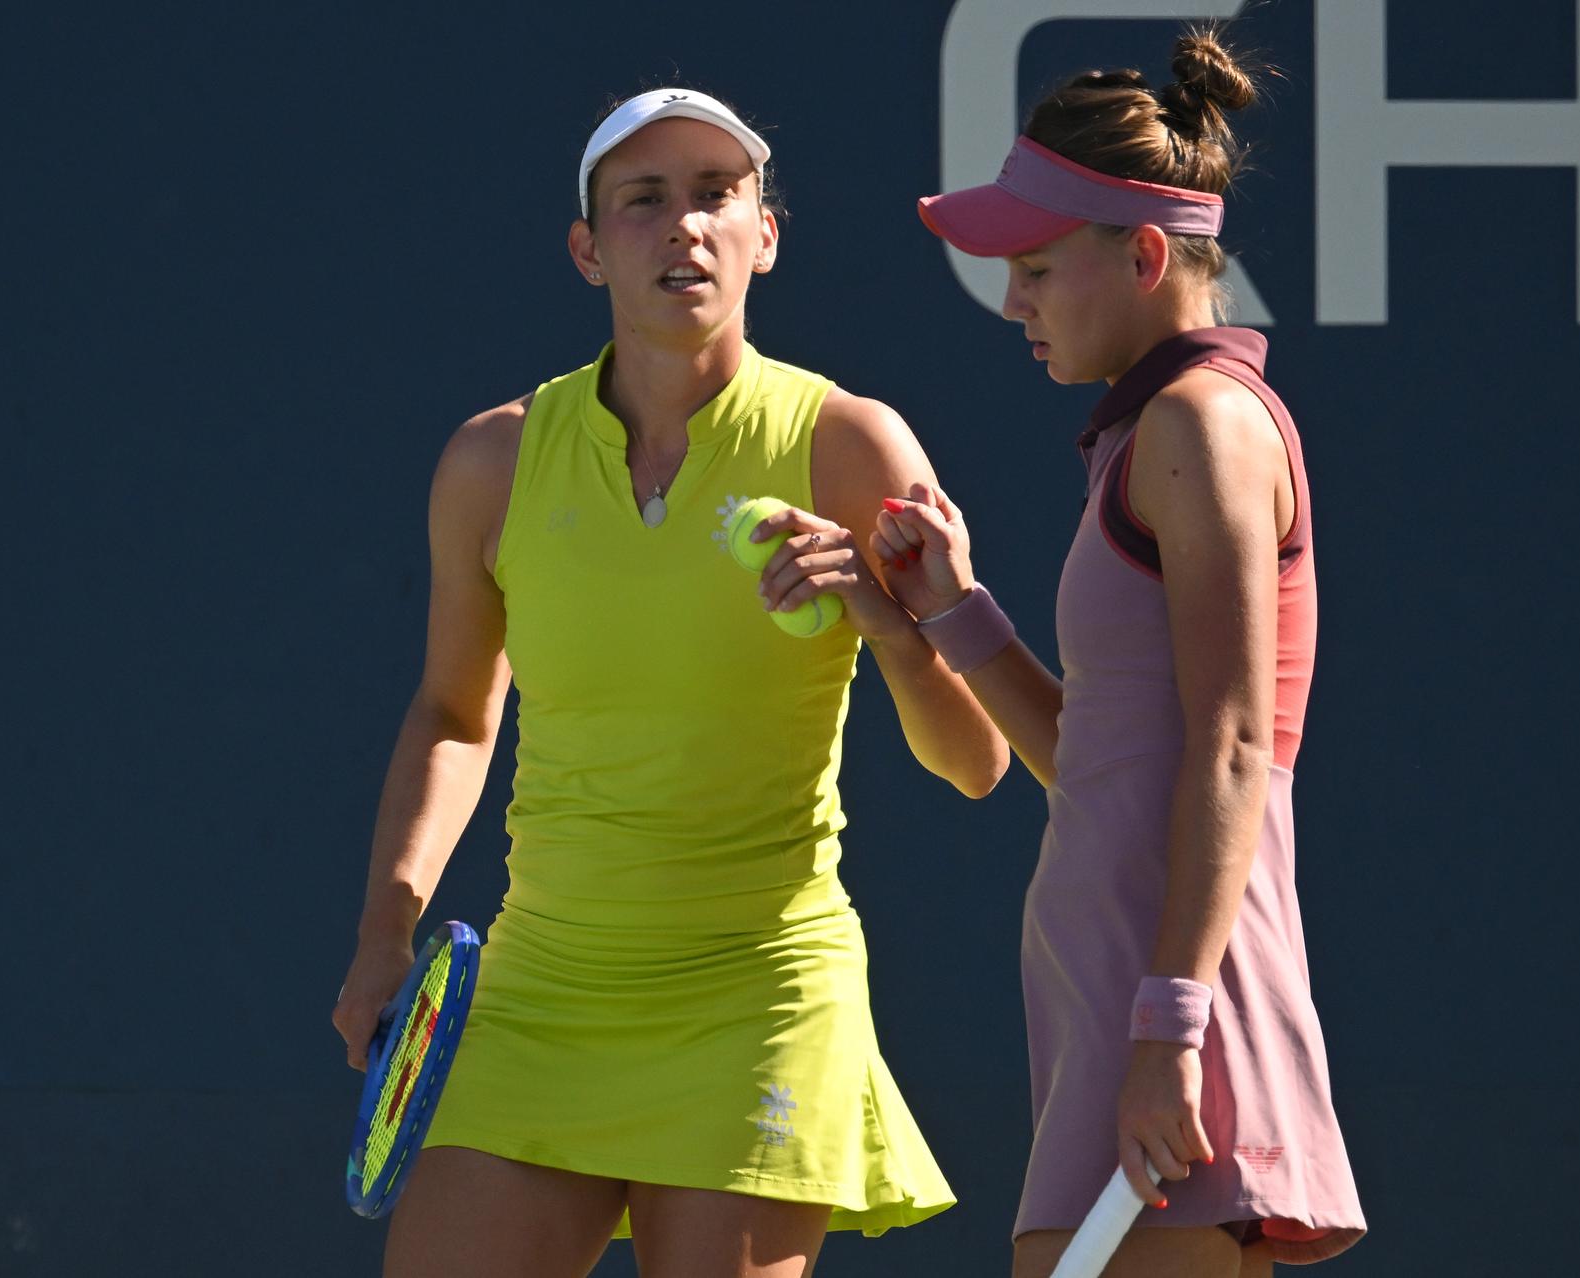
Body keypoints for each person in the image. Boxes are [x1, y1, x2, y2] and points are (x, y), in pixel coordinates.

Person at [331, 86, 1007, 1278]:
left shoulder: (851, 444)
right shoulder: (494, 461)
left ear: (766, 236)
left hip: (759, 995)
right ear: (591, 251)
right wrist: (387, 928)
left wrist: (887, 624)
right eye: (644, 202)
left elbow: (977, 763)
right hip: (541, 995)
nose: (684, 227)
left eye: (716, 196)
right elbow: (452, 715)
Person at [886, 27, 1366, 1277]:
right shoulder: (1153, 433)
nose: (1014, 301)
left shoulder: (1201, 428)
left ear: (1147, 256)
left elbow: (1232, 746)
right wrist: (956, 611)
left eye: (1038, 268)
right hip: (1131, 994)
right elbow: (1097, 760)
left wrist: (1171, 1029)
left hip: (1170, 1004)